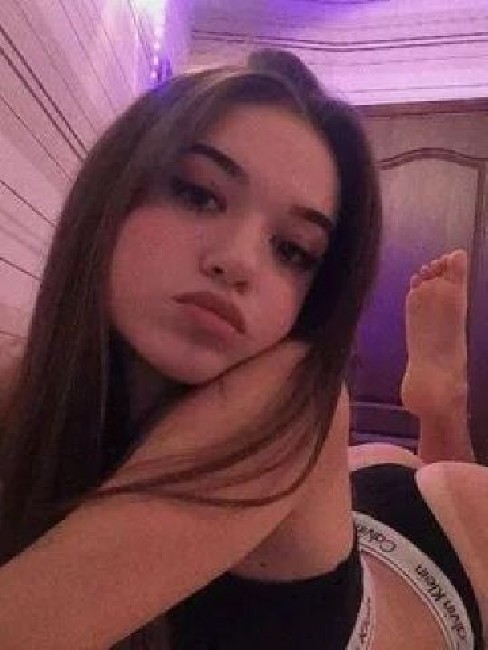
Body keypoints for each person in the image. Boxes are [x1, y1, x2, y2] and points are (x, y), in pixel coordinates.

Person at [0, 49, 485, 649]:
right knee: (410, 472)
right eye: (199, 195)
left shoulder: (292, 398)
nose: (238, 261)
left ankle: (441, 402)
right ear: (114, 193)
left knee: (455, 483)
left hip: (436, 571)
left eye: (293, 250)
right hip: (353, 500)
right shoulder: (24, 386)